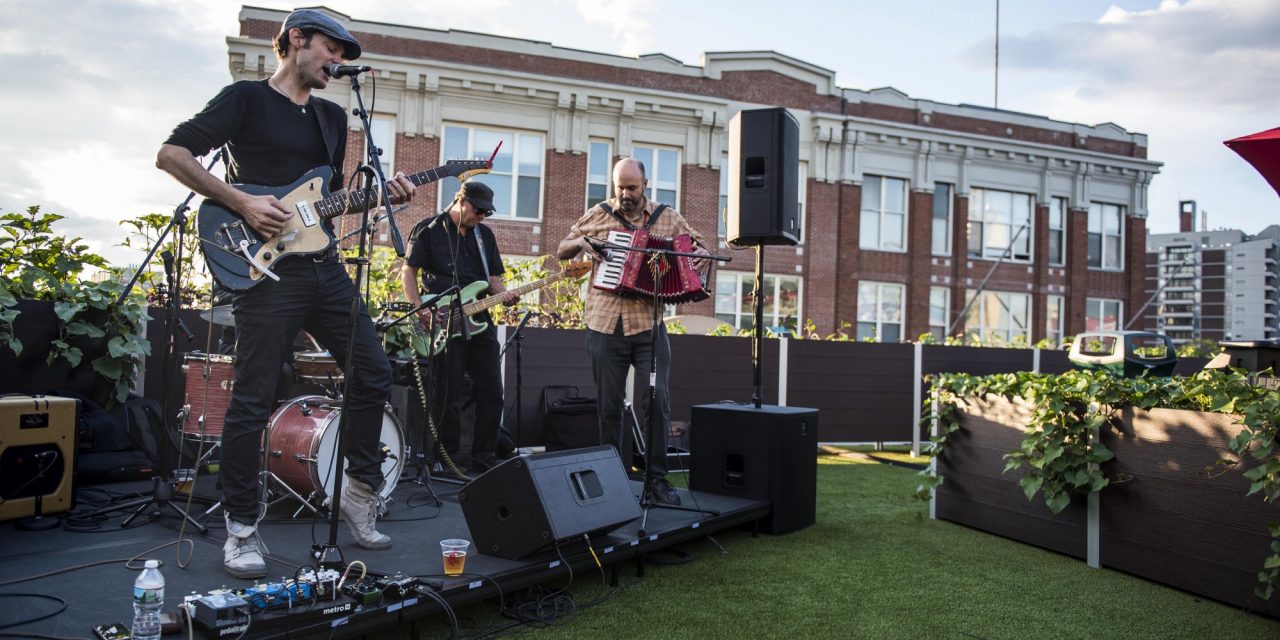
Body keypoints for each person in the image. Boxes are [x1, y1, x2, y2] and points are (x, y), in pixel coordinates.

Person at [156, 9, 417, 579]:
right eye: (332, 48)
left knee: (373, 371)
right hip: (265, 270)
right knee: (252, 396)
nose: (338, 62)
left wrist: (379, 196)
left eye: (346, 56)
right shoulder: (245, 99)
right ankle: (243, 529)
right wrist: (244, 203)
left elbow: (325, 199)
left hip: (323, 267)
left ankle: (358, 488)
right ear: (296, 40)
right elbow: (172, 154)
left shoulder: (331, 117)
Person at [556, 158, 706, 506]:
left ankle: (656, 482)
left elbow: (698, 247)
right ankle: (614, 483)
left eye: (631, 188)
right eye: (619, 187)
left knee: (656, 403)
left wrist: (700, 254)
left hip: (647, 327)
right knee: (609, 408)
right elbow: (562, 249)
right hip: (604, 325)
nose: (625, 194)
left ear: (645, 185)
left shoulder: (666, 217)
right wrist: (582, 244)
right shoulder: (598, 215)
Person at [401, 181, 518, 476]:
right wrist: (419, 308)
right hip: (441, 322)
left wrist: (504, 294)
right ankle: (446, 457)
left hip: (479, 324)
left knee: (492, 390)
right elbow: (409, 271)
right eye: (478, 210)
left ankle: (484, 456)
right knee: (447, 393)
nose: (482, 216)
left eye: (487, 212)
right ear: (461, 201)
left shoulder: (484, 236)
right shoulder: (428, 230)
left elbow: (491, 278)